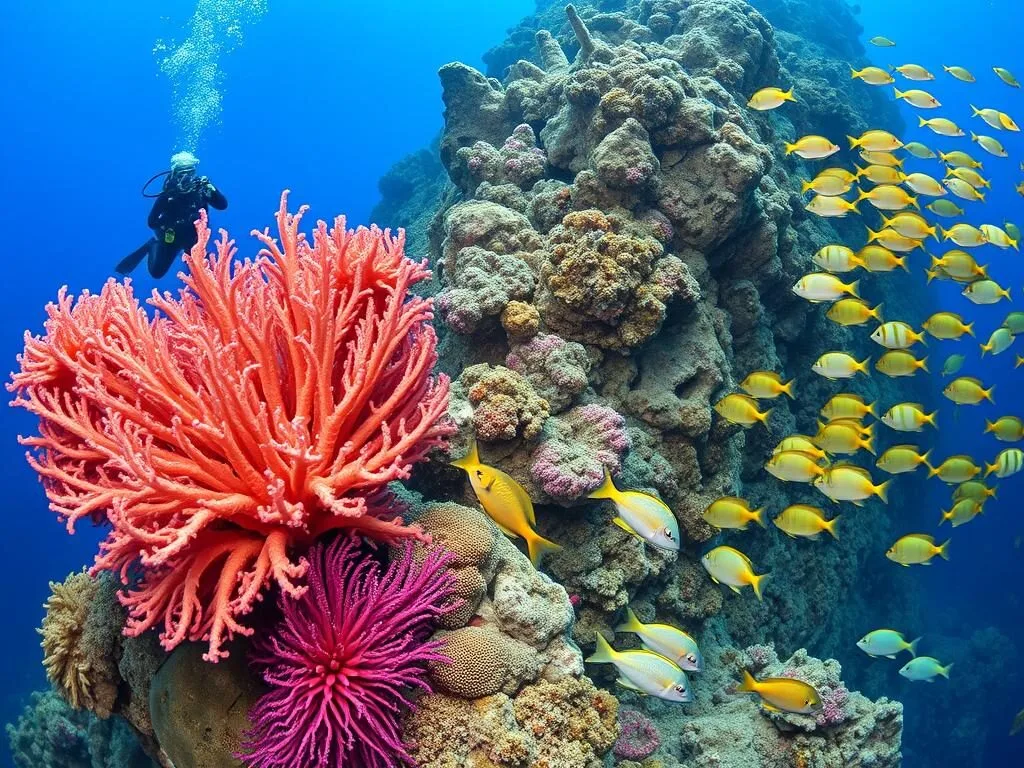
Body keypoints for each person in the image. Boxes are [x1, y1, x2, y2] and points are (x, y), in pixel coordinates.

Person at [117, 151, 227, 278]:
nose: (186, 178)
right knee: (156, 273)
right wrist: (170, 227)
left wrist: (212, 189)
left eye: (190, 173)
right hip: (171, 239)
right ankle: (152, 245)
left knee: (204, 276)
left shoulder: (201, 189)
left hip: (194, 238)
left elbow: (222, 205)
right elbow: (151, 222)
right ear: (175, 174)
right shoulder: (169, 194)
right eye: (182, 175)